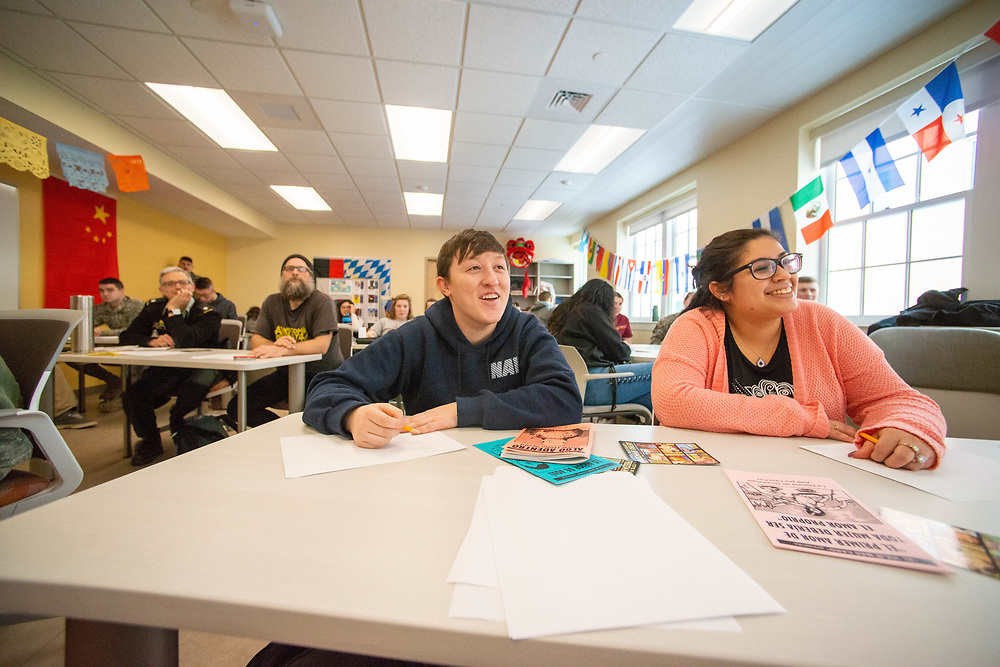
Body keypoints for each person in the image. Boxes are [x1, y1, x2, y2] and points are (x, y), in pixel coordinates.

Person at [652, 228, 946, 471]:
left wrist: (907, 428)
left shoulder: (823, 322)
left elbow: (898, 399)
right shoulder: (697, 325)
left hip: (817, 478)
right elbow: (673, 400)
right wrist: (802, 419)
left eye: (785, 262)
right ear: (721, 290)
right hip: (714, 476)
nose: (784, 276)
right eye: (763, 268)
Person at [303, 229, 582, 449]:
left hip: (512, 476)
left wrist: (461, 412)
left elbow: (565, 399)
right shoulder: (415, 337)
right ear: (445, 286)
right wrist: (353, 416)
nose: (492, 280)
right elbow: (327, 388)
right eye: (474, 268)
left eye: (499, 267)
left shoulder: (527, 331)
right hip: (433, 478)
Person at [119, 267, 222, 466]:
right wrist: (151, 341)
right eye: (169, 284)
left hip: (203, 366)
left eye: (182, 283)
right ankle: (151, 441)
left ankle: (180, 430)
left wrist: (173, 311)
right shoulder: (153, 308)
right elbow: (126, 337)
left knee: (189, 392)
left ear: (192, 287)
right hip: (169, 367)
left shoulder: (209, 313)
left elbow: (187, 341)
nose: (177, 287)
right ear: (161, 289)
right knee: (133, 396)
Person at [226, 254, 341, 428]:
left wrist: (283, 350)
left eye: (301, 269)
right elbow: (257, 339)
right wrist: (275, 346)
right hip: (285, 374)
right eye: (289, 269)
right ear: (282, 276)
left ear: (311, 277)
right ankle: (282, 431)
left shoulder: (322, 302)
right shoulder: (272, 302)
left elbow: (321, 345)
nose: (295, 273)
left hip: (322, 375)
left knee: (317, 417)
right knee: (237, 407)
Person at [548, 279, 653, 412]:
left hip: (575, 387)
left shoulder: (568, 313)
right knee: (660, 368)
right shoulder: (591, 312)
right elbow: (620, 352)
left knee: (650, 397)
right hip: (596, 385)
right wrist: (626, 345)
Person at [68, 277, 144, 412]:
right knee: (73, 354)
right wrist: (89, 329)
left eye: (110, 290)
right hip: (115, 345)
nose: (105, 294)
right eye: (101, 290)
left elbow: (133, 331)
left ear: (121, 291)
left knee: (134, 363)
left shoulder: (137, 306)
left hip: (137, 346)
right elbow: (86, 325)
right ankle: (113, 381)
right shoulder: (100, 309)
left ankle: (127, 397)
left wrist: (103, 333)